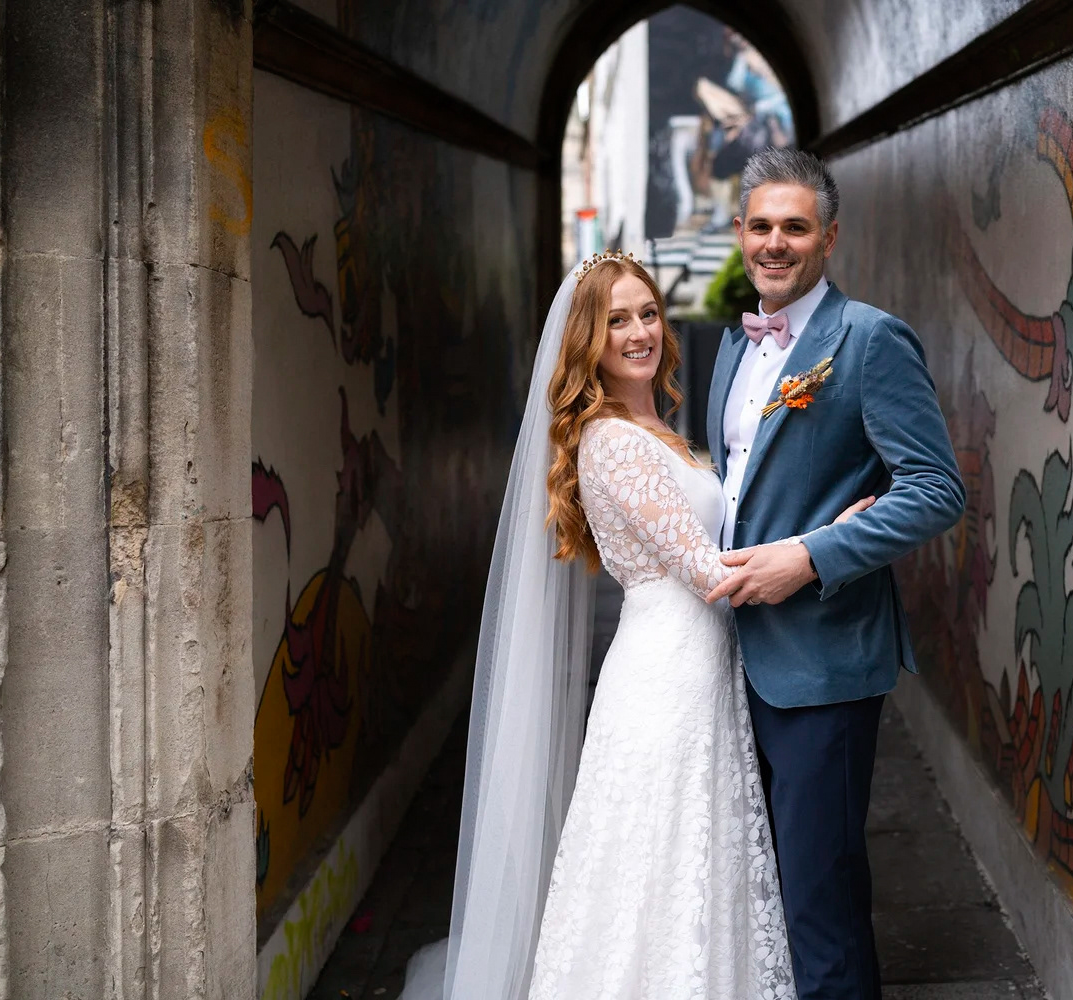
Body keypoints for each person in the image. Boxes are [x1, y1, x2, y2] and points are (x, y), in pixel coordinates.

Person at [398, 250, 875, 1000]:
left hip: (699, 668)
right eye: (616, 320)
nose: (639, 332)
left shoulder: (656, 427)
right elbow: (711, 574)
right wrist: (830, 542)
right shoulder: (614, 443)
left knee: (698, 854)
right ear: (589, 341)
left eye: (648, 314)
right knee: (659, 858)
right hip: (665, 679)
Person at [703, 147, 964, 1000]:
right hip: (725, 657)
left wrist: (813, 555)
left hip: (823, 659)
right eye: (761, 226)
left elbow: (936, 489)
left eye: (796, 227)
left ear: (830, 237)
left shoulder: (869, 339)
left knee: (821, 895)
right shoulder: (732, 348)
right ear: (740, 233)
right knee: (758, 883)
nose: (775, 243)